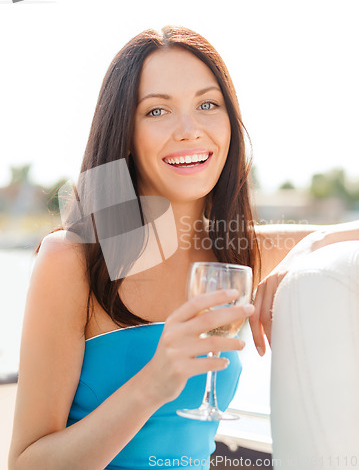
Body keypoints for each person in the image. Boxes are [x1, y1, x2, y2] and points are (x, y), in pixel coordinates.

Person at [8, 26, 359, 470]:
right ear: (125, 133)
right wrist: (154, 383)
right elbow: (26, 463)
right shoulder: (73, 258)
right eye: (157, 111)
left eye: (207, 104)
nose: (190, 130)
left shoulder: (238, 255)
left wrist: (313, 248)